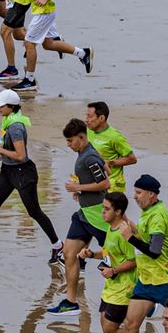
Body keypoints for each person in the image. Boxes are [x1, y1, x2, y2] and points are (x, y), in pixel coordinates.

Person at [0, 90, 62, 267]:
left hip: (23, 173)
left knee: (34, 212)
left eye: (2, 106)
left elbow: (21, 156)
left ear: (11, 107)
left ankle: (58, 245)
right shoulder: (8, 120)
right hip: (8, 171)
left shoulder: (16, 127)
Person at [113, 174, 168, 333]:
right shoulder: (150, 211)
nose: (134, 197)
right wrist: (134, 227)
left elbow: (154, 252)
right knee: (131, 325)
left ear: (151, 194)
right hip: (146, 280)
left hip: (166, 280)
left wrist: (130, 237)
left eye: (138, 193)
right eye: (134, 192)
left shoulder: (157, 215)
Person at [47, 119, 113, 317]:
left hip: (98, 215)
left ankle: (146, 298)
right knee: (69, 253)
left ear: (81, 138)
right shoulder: (86, 153)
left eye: (70, 141)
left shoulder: (89, 157)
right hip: (84, 215)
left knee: (116, 258)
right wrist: (81, 191)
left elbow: (105, 183)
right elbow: (106, 169)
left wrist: (79, 188)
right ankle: (71, 302)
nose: (68, 144)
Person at [85, 193, 143, 333]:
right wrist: (92, 253)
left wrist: (114, 270)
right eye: (103, 207)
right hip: (110, 287)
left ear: (118, 212)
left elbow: (134, 260)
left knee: (110, 328)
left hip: (124, 289)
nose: (102, 212)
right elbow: (109, 252)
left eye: (107, 209)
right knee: (105, 326)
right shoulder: (111, 228)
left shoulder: (123, 233)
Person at [85, 101, 136, 192]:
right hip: (95, 184)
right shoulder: (88, 132)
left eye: (90, 116)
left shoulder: (115, 136)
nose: (86, 119)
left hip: (113, 187)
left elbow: (132, 159)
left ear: (101, 118)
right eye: (86, 116)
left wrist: (110, 163)